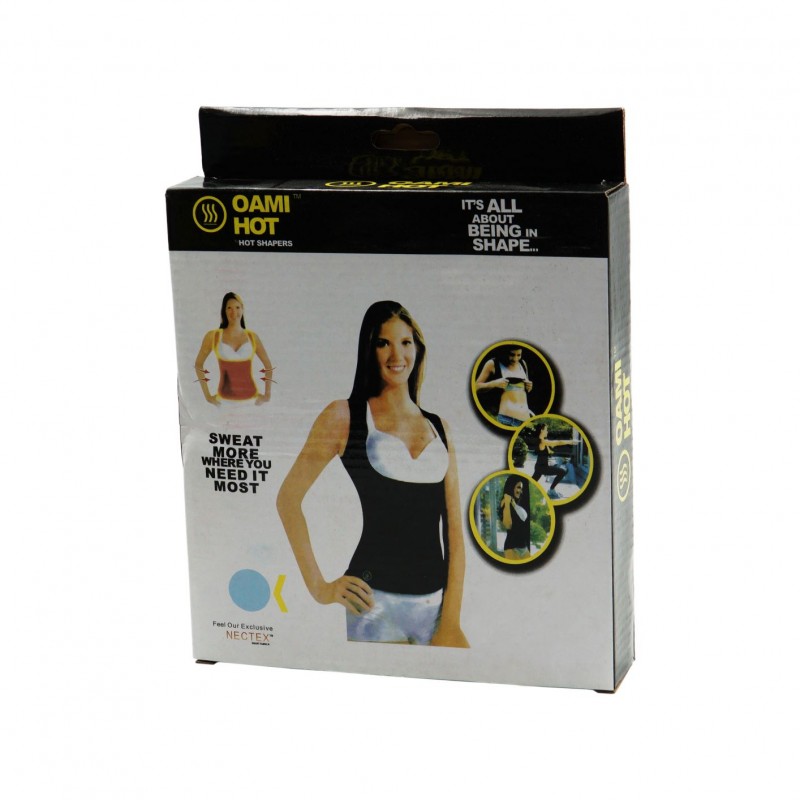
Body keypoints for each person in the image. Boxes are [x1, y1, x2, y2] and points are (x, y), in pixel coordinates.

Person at [277, 301, 468, 647]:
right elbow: (288, 499)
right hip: (372, 605)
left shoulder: (441, 428)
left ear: (417, 348)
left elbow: (455, 532)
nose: (397, 355)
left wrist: (451, 621)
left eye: (405, 342)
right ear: (370, 349)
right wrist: (320, 588)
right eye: (383, 343)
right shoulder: (344, 416)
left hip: (436, 606)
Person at [194, 292, 273, 405]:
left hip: (251, 401)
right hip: (223, 402)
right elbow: (198, 364)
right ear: (224, 311)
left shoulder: (252, 337)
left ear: (242, 309)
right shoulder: (213, 336)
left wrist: (267, 395)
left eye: (237, 307)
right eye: (229, 308)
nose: (234, 312)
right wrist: (207, 396)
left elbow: (268, 365)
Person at [474, 345, 533, 426]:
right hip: (506, 419)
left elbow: (525, 390)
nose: (515, 359)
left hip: (525, 419)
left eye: (519, 355)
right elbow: (475, 387)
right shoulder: (493, 363)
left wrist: (529, 386)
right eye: (512, 355)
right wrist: (494, 383)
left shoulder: (523, 363)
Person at [530, 422, 573, 499]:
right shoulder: (542, 442)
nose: (547, 431)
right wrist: (570, 442)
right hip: (542, 468)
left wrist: (552, 462)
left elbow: (548, 451)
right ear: (541, 430)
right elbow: (558, 442)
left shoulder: (542, 441)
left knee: (530, 484)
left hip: (539, 467)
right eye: (546, 430)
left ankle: (524, 491)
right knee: (562, 472)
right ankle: (551, 490)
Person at [500, 477, 531, 560]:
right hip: (512, 548)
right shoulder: (505, 503)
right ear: (511, 487)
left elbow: (524, 517)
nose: (521, 491)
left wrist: (513, 504)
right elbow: (508, 525)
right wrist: (507, 503)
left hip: (523, 547)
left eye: (521, 488)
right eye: (518, 487)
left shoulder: (514, 503)